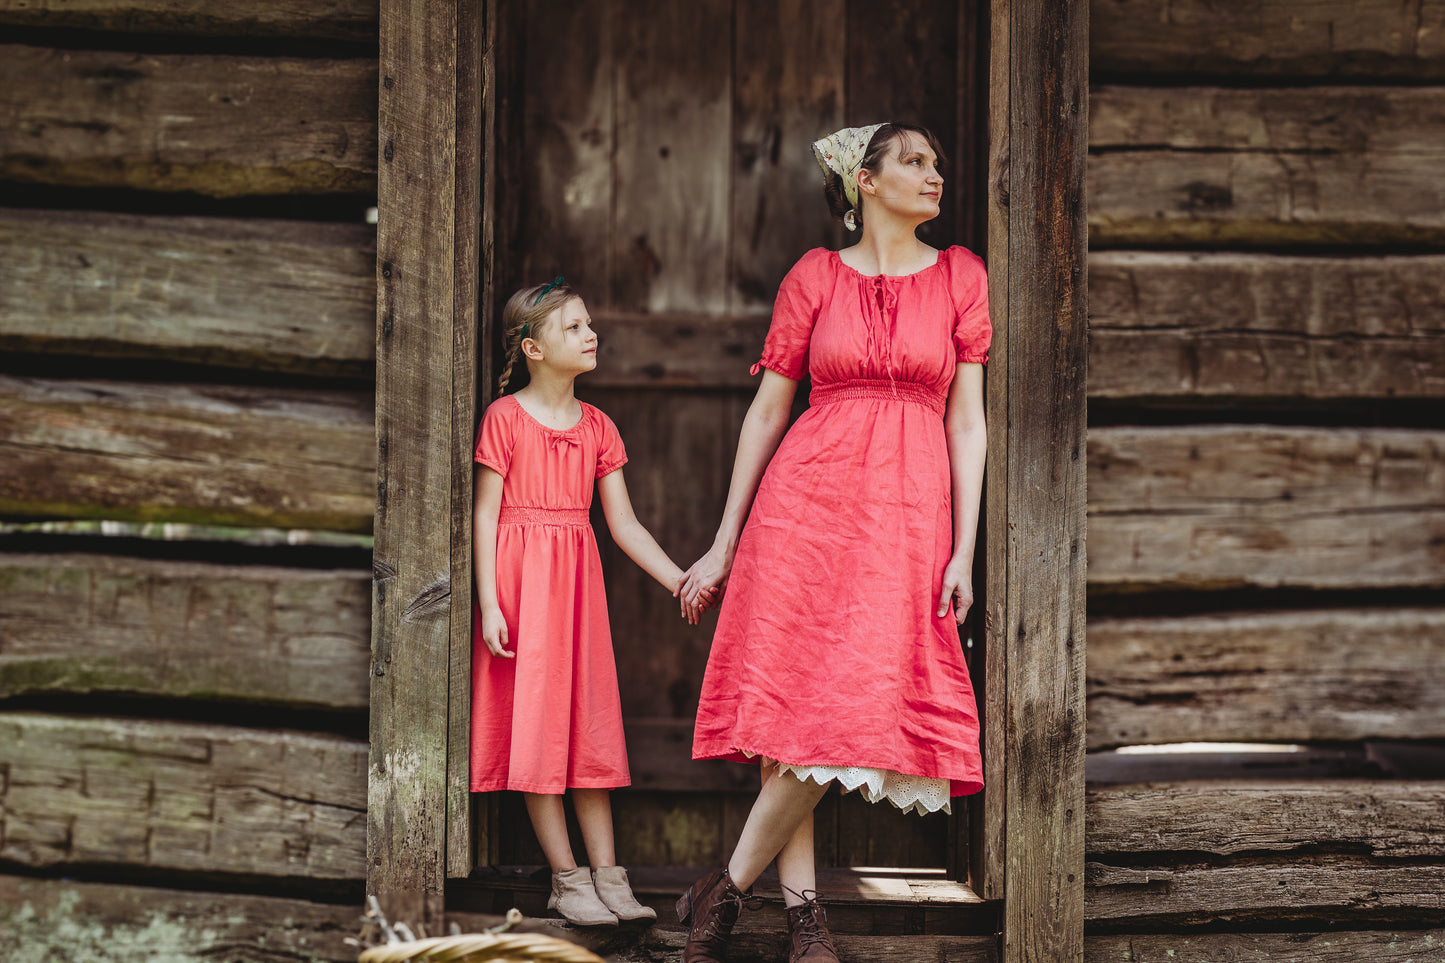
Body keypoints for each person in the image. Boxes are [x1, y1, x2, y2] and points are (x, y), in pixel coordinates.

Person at [673, 123, 990, 963]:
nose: (934, 174)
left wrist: (963, 548)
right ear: (865, 180)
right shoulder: (813, 275)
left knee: (849, 706)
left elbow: (967, 419)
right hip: (805, 508)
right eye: (915, 162)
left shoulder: (961, 273)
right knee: (795, 714)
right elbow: (770, 409)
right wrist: (723, 542)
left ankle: (720, 893)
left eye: (935, 163)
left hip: (905, 515)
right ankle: (806, 919)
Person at [471, 278, 713, 927]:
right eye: (573, 326)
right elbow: (485, 515)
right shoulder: (503, 418)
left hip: (576, 596)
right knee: (537, 734)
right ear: (533, 348)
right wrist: (490, 603)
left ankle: (610, 876)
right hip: (522, 598)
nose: (590, 334)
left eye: (588, 323)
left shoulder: (599, 425)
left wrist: (677, 577)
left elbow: (625, 524)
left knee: (587, 731)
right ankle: (565, 878)